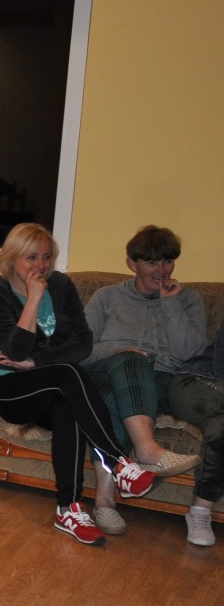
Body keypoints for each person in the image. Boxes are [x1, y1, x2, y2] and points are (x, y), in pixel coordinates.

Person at [0, 223, 155, 545]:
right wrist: (33, 299)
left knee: (68, 408)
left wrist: (36, 361)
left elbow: (83, 344)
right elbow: (14, 351)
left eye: (47, 257)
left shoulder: (61, 286)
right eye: (32, 257)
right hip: (12, 391)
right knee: (67, 373)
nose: (41, 265)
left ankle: (68, 508)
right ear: (12, 258)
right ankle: (117, 461)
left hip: (51, 384)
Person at [80, 226, 206, 540]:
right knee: (131, 361)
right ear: (131, 263)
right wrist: (119, 351)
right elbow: (80, 350)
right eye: (151, 262)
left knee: (108, 401)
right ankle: (148, 451)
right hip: (106, 371)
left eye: (167, 261)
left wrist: (170, 304)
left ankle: (105, 501)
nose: (161, 270)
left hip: (161, 383)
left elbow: (190, 353)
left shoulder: (188, 300)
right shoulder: (107, 297)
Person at [169, 320, 224, 546]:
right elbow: (221, 366)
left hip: (218, 410)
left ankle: (200, 511)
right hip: (196, 383)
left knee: (220, 428)